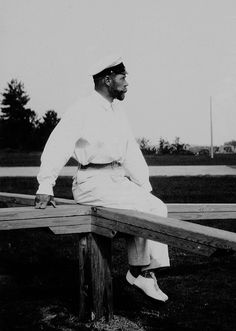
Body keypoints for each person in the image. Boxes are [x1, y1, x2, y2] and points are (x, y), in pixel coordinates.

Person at [35, 55, 170, 302]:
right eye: (122, 77)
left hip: (116, 180)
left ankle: (143, 272)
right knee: (140, 209)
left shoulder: (117, 111)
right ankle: (140, 273)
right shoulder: (82, 109)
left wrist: (144, 185)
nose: (127, 83)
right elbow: (58, 145)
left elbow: (130, 151)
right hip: (91, 182)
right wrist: (46, 184)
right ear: (107, 80)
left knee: (156, 207)